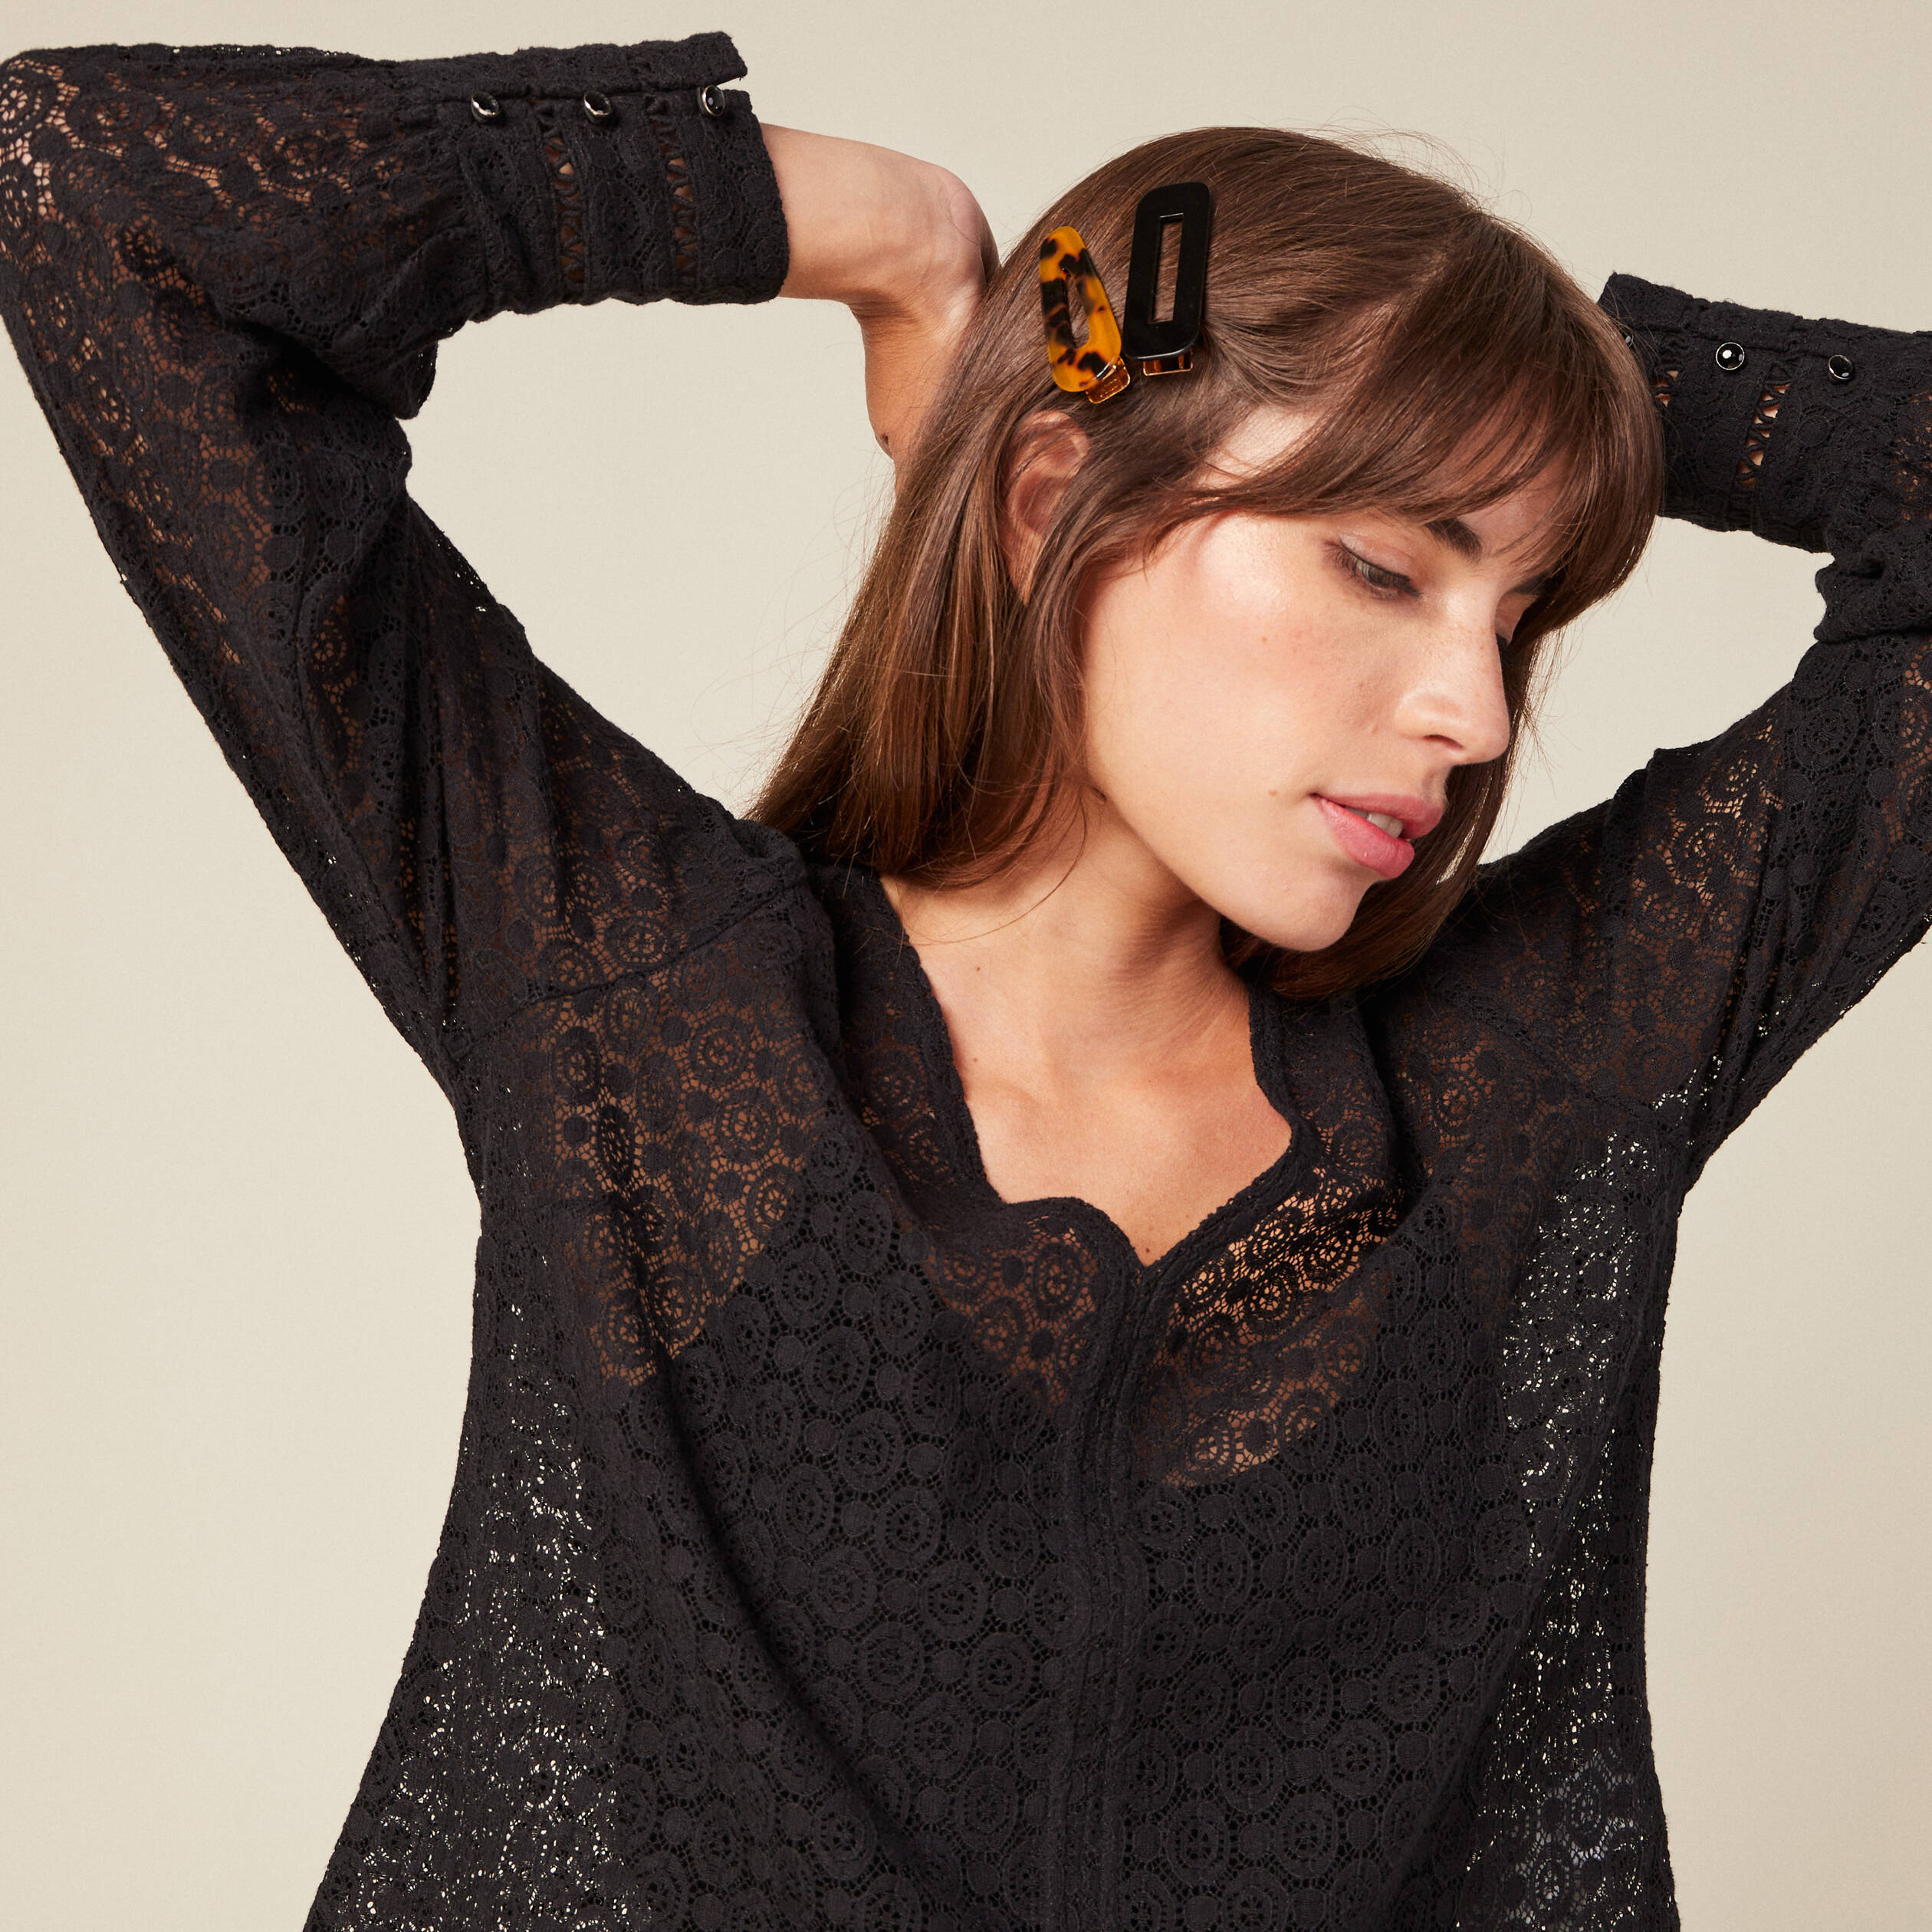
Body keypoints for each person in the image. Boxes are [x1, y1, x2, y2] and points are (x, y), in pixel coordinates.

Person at [0, 27, 1922, 1932]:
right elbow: (89, 179)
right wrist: (900, 243)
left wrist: (1533, 375)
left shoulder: (1531, 1076)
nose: (1476, 712)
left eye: (1522, 612)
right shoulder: (635, 990)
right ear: (1045, 503)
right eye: (1383, 567)